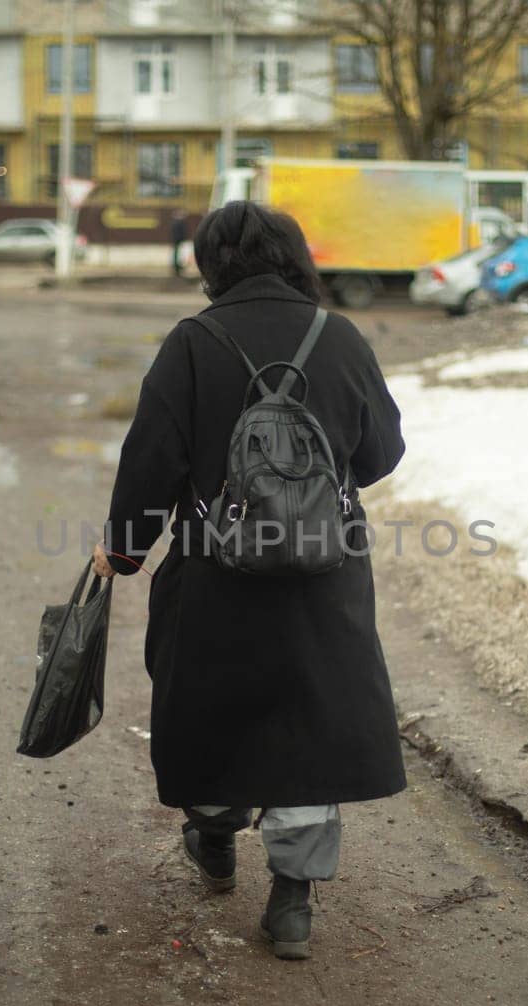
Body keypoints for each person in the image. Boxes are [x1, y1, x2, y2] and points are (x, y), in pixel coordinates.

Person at [91, 201, 406, 960]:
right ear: (296, 257)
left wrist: (125, 550)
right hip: (323, 575)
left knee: (211, 708)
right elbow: (381, 453)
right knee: (310, 722)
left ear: (211, 266)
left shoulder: (193, 343)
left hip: (213, 572)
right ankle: (292, 902)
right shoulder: (340, 337)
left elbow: (153, 461)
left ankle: (214, 835)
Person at [169, 210, 188, 277]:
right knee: (179, 255)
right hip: (179, 241)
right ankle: (178, 269)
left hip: (177, 241)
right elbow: (181, 233)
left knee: (177, 255)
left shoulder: (175, 222)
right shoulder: (179, 223)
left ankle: (177, 269)